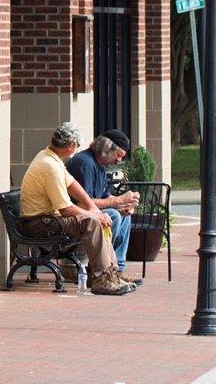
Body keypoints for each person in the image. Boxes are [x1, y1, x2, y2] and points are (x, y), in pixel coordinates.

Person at [19, 121, 133, 294]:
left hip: (48, 218)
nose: (77, 149)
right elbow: (66, 209)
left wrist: (92, 207)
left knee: (96, 218)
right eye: (76, 145)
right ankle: (101, 278)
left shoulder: (50, 157)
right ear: (71, 145)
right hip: (40, 223)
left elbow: (73, 185)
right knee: (93, 222)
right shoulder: (51, 167)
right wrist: (94, 215)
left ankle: (112, 273)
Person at [65, 130, 142, 266]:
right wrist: (118, 201)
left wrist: (124, 205)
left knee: (123, 215)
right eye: (118, 155)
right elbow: (83, 204)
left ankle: (117, 266)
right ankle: (103, 266)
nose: (119, 160)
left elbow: (105, 197)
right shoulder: (85, 164)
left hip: (89, 212)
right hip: (74, 215)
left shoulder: (100, 166)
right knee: (113, 215)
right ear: (106, 148)